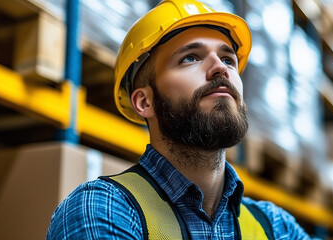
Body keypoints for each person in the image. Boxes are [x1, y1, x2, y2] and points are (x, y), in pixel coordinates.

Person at [46, 0, 310, 239]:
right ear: (144, 102)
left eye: (228, 59)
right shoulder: (102, 209)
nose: (220, 68)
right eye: (190, 58)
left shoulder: (275, 227)